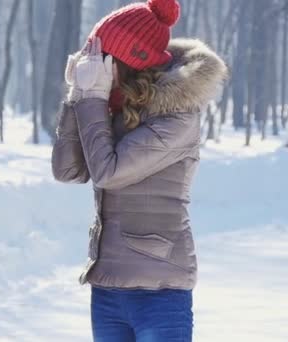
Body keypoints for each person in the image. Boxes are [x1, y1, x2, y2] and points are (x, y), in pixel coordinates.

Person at [52, 0, 228, 341]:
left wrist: (91, 97)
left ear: (125, 61)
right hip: (107, 288)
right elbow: (68, 170)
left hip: (159, 290)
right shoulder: (111, 106)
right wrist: (78, 95)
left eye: (99, 55)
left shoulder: (177, 117)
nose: (93, 63)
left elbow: (108, 171)